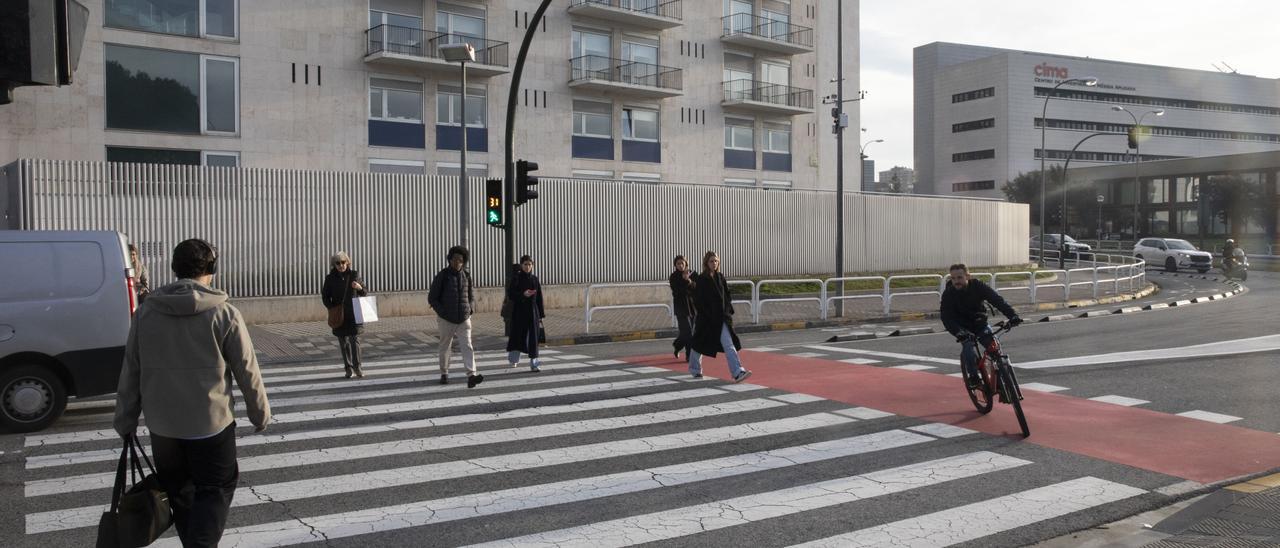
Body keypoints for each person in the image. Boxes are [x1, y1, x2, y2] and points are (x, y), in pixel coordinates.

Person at [113, 238, 271, 548]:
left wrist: (125, 420)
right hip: (211, 425)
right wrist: (259, 413)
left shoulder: (146, 314)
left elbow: (131, 370)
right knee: (216, 489)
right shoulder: (224, 314)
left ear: (174, 269)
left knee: (180, 494)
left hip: (164, 428)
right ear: (212, 268)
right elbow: (247, 370)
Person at [940, 263, 1022, 389]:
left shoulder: (978, 286)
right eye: (953, 278)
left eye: (960, 277)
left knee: (994, 349)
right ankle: (973, 377)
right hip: (962, 327)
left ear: (968, 276)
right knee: (968, 346)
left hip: (980, 323)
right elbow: (946, 317)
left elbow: (997, 300)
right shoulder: (948, 294)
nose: (956, 281)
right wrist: (958, 332)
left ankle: (1000, 377)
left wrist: (1012, 316)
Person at [687, 251, 752, 383]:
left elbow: (727, 296)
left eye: (716, 261)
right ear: (706, 263)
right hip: (706, 319)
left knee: (729, 344)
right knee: (698, 344)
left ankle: (738, 372)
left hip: (721, 318)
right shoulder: (701, 279)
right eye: (711, 261)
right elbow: (698, 300)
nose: (714, 263)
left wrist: (728, 311)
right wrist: (706, 314)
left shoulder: (720, 277)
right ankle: (695, 368)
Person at [429, 245, 484, 388]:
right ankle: (444, 372)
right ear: (449, 260)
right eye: (455, 259)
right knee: (445, 346)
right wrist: (442, 312)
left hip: (464, 318)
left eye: (460, 260)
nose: (457, 262)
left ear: (464, 261)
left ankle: (471, 375)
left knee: (467, 346)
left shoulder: (466, 276)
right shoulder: (443, 275)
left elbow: (471, 295)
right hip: (446, 318)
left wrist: (470, 308)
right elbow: (432, 298)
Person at [321, 251, 368, 378]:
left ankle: (358, 367)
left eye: (343, 262)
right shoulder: (330, 278)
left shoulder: (354, 275)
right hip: (339, 315)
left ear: (348, 262)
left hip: (354, 314)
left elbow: (364, 292)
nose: (341, 265)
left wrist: (359, 287)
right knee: (343, 342)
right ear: (334, 265)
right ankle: (348, 368)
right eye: (338, 263)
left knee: (355, 340)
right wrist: (332, 308)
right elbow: (325, 296)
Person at [506, 255, 546, 372]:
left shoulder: (534, 279)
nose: (528, 267)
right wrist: (523, 294)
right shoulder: (516, 278)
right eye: (525, 264)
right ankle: (513, 360)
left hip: (533, 312)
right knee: (517, 336)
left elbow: (539, 297)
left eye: (530, 264)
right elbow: (511, 294)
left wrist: (541, 315)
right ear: (521, 265)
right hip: (519, 312)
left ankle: (534, 363)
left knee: (533, 339)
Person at [668, 255, 696, 359]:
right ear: (675, 265)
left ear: (686, 264)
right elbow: (677, 292)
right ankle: (689, 355)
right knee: (687, 331)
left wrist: (690, 281)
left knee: (691, 331)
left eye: (682, 263)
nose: (680, 265)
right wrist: (685, 281)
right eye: (678, 263)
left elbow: (696, 287)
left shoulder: (692, 273)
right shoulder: (674, 276)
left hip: (692, 307)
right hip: (681, 307)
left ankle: (677, 344)